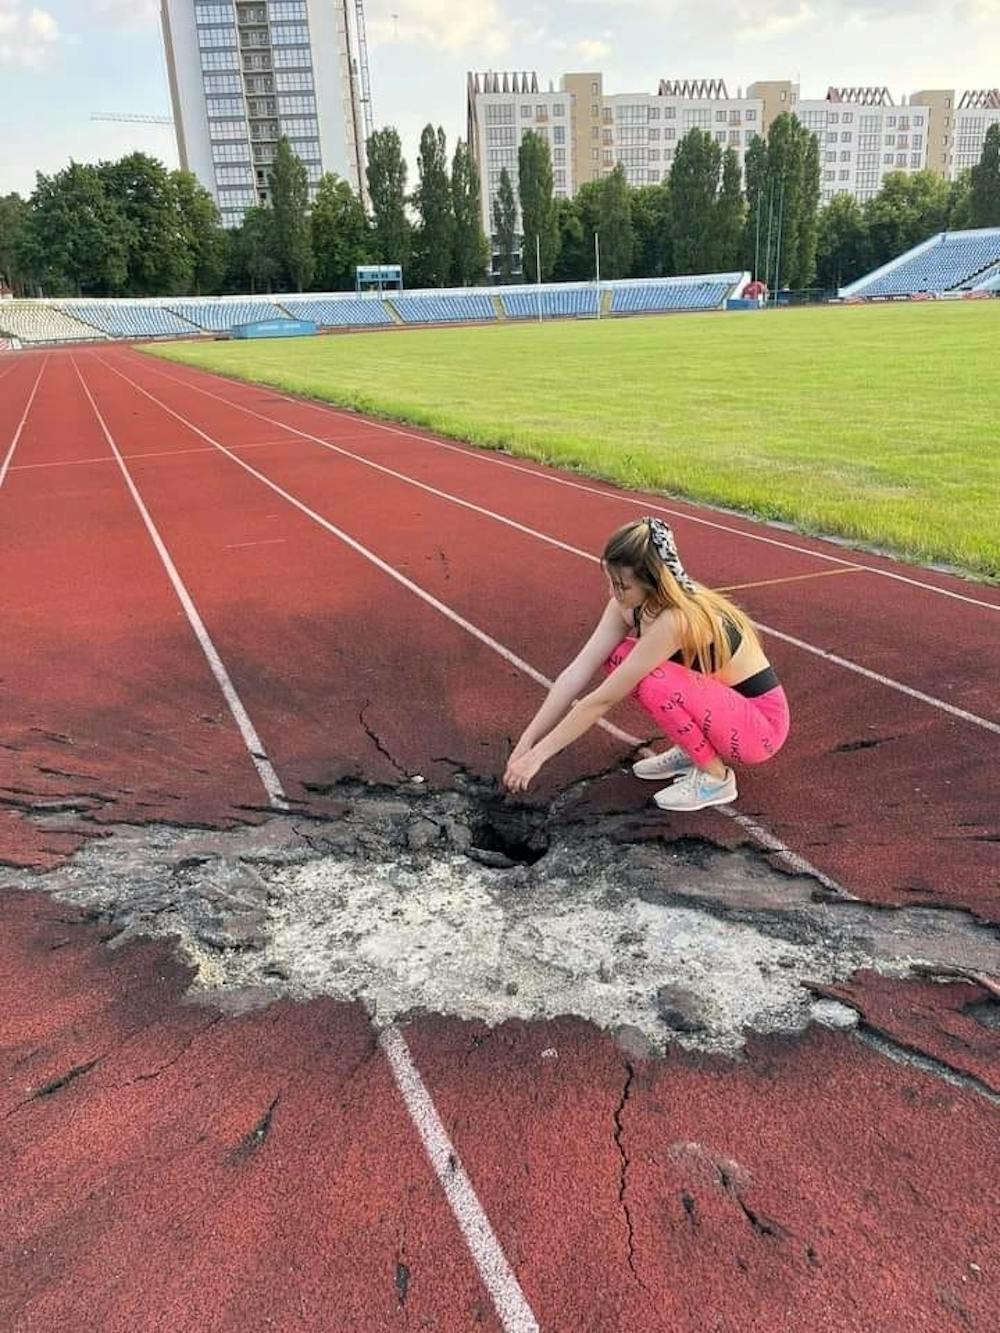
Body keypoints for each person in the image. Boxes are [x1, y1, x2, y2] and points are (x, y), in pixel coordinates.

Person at [502, 516, 790, 810]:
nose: (614, 593)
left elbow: (601, 700)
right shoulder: (627, 606)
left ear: (653, 584)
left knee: (654, 682)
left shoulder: (676, 620)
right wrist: (528, 740)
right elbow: (576, 672)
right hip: (721, 710)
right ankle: (694, 751)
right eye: (611, 582)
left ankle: (716, 778)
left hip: (760, 730)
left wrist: (538, 757)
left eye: (622, 586)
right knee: (618, 656)